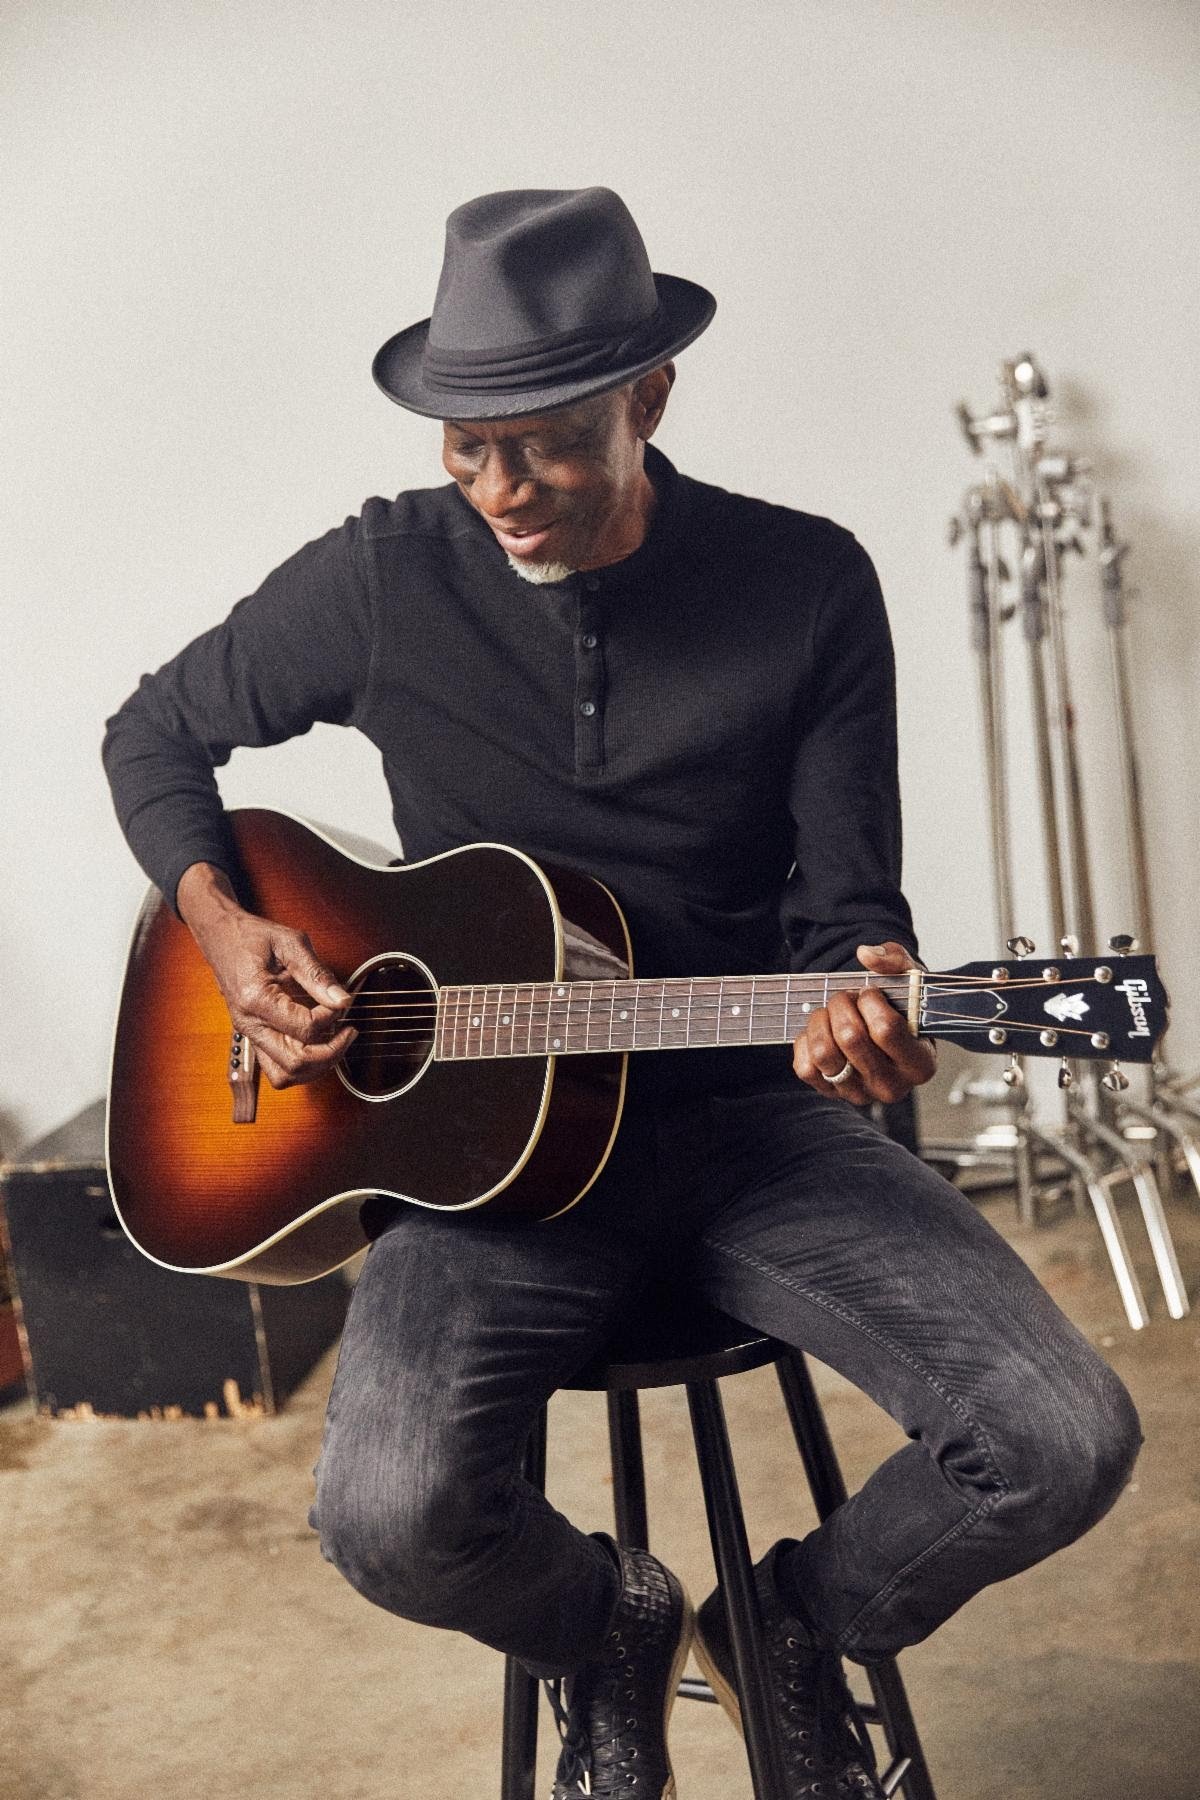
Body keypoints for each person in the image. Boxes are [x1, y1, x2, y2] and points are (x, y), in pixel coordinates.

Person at [103, 187, 1141, 1799]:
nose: (502, 491)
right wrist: (231, 935)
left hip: (749, 1125)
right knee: (385, 1519)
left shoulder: (805, 585)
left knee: (1066, 1442)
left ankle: (795, 1623)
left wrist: (860, 1015)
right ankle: (607, 1626)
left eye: (548, 443)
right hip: (481, 1166)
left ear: (649, 399)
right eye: (468, 445)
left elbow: (849, 910)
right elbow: (151, 735)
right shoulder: (383, 578)